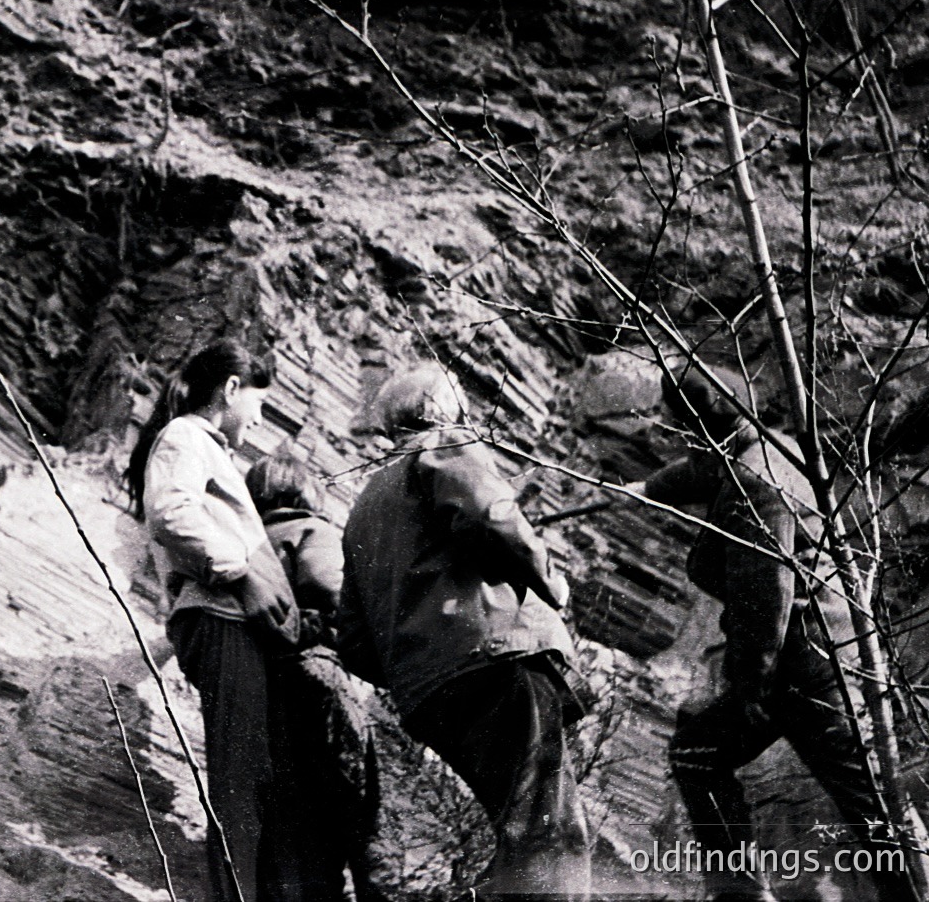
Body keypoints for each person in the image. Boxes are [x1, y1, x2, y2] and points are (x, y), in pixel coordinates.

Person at [638, 364, 916, 902]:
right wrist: (648, 485)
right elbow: (702, 472)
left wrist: (747, 693)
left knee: (876, 813)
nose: (671, 432)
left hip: (804, 669)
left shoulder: (752, 486)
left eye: (679, 423)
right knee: (871, 807)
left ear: (698, 425)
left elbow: (763, 603)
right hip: (828, 652)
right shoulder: (771, 448)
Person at [336, 363, 591, 900]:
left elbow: (355, 643)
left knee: (518, 833)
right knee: (551, 834)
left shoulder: (362, 508)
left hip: (430, 694)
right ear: (443, 409)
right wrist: (551, 582)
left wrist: (424, 655)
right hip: (493, 661)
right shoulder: (444, 444)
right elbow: (493, 518)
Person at [128, 341, 299, 902]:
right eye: (259, 404)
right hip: (221, 616)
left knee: (251, 776)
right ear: (230, 389)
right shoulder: (185, 437)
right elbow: (171, 514)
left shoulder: (205, 446)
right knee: (240, 780)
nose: (258, 419)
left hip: (230, 621)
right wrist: (243, 575)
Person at [245, 452, 384, 902]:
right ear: (305, 491)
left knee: (289, 826)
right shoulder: (312, 530)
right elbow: (334, 594)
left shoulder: (248, 540)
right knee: (355, 810)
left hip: (264, 690)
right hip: (317, 676)